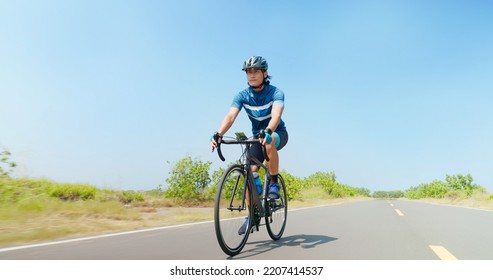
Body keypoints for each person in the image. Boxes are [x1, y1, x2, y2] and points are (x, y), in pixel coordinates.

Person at [210, 55, 288, 234]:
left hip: (276, 133)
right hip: (256, 137)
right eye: (248, 72)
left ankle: (274, 184)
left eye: (255, 71)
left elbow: (276, 115)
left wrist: (268, 130)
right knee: (249, 175)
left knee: (269, 143)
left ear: (265, 73)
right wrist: (219, 134)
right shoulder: (242, 95)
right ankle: (253, 215)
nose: (251, 75)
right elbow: (230, 116)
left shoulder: (276, 93)